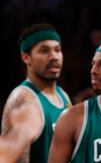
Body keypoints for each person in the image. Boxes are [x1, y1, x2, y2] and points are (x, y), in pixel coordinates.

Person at [1, 23, 71, 163]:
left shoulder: (63, 96)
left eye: (57, 50)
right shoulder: (23, 98)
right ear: (26, 57)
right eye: (44, 51)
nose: (54, 57)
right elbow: (9, 155)